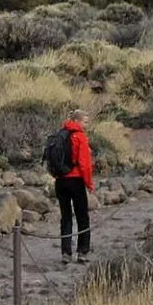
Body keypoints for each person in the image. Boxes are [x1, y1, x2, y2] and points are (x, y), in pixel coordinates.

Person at [46, 110, 95, 262]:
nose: (87, 125)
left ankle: (66, 253)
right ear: (78, 121)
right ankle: (82, 252)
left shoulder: (61, 135)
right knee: (82, 217)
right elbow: (84, 164)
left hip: (60, 181)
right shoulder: (79, 136)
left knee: (65, 218)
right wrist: (89, 184)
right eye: (85, 122)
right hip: (76, 180)